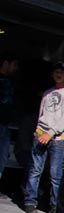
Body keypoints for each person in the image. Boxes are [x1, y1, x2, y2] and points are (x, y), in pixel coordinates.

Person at [22, 61, 64, 213]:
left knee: (55, 173)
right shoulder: (47, 92)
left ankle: (54, 206)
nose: (58, 74)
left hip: (58, 138)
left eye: (61, 72)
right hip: (40, 133)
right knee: (34, 169)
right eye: (56, 71)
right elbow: (42, 114)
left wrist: (51, 132)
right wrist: (39, 131)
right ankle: (29, 201)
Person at [0, 51, 19, 180]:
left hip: (5, 124)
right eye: (14, 64)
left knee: (2, 156)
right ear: (6, 63)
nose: (16, 68)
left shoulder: (11, 81)